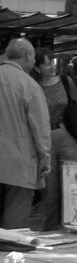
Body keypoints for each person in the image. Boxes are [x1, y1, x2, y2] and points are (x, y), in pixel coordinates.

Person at [29, 48, 77, 231]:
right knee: (50, 189)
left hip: (66, 134)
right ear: (37, 67)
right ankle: (52, 227)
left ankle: (73, 224)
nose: (52, 66)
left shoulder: (66, 82)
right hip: (44, 139)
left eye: (52, 61)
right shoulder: (33, 85)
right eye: (46, 63)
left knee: (72, 184)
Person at [0, 38, 50, 229]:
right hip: (19, 163)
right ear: (28, 56)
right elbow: (40, 128)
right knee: (14, 221)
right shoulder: (29, 86)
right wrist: (45, 158)